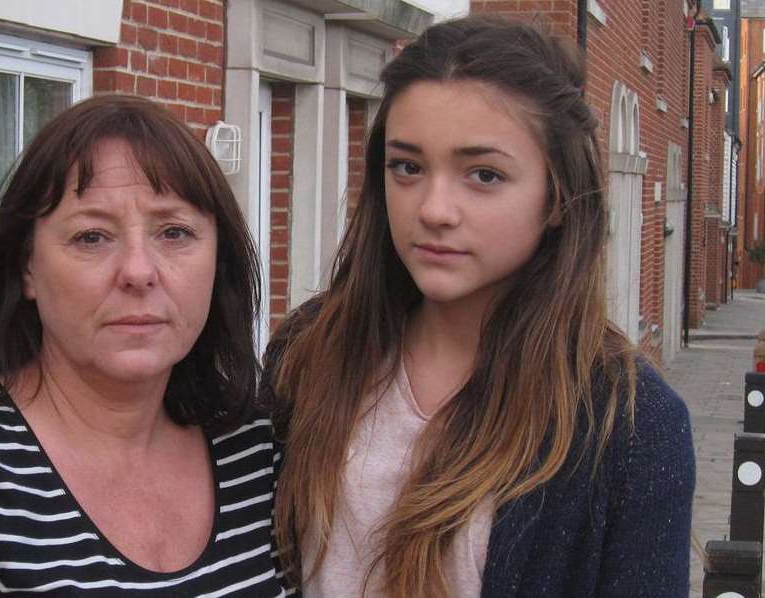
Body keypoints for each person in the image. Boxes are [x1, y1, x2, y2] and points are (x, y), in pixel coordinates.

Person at [261, 14, 695, 598]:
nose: (434, 209)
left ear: (559, 196)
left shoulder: (630, 422)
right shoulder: (311, 350)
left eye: (484, 175)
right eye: (407, 167)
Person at [0, 95, 285, 596]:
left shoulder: (255, 445)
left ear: (219, 263)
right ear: (27, 268)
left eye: (174, 232)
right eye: (91, 237)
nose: (137, 271)